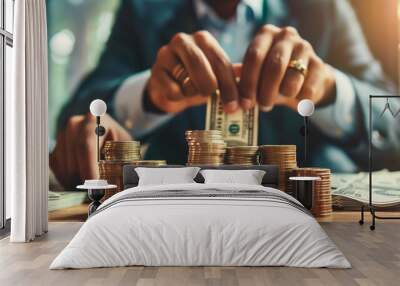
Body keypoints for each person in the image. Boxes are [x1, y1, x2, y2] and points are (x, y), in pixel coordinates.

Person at [50, 0, 399, 187]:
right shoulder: (143, 9)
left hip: (304, 210)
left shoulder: (322, 8)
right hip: (184, 213)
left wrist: (328, 91)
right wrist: (148, 96)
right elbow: (74, 119)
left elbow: (392, 118)